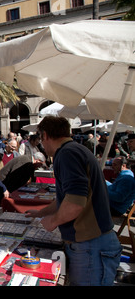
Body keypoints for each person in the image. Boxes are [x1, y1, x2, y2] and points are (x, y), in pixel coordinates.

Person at [26, 116, 121, 286]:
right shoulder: (75, 150)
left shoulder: (67, 154)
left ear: (45, 135)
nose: (41, 144)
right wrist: (41, 213)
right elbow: (66, 198)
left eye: (41, 138)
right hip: (92, 245)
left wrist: (53, 221)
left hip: (91, 246)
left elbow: (75, 203)